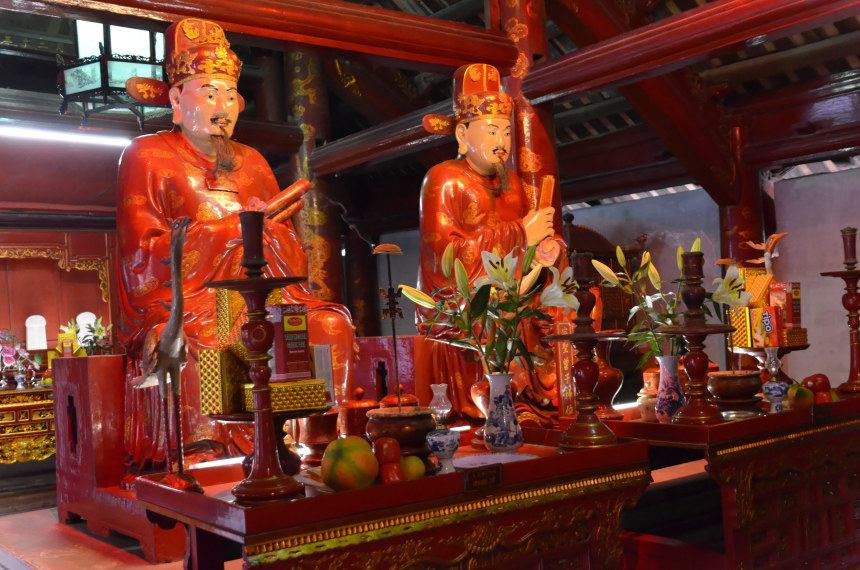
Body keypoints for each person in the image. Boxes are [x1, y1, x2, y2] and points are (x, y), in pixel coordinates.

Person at [116, 18, 355, 471]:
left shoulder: (253, 161)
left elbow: (288, 243)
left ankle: (323, 436)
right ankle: (206, 451)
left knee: (328, 326)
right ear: (175, 100)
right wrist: (233, 232)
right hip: (194, 300)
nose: (222, 107)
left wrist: (270, 233)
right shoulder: (147, 155)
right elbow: (142, 252)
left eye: (230, 96)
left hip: (263, 293)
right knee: (195, 337)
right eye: (209, 93)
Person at [417, 63, 562, 424]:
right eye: (492, 131)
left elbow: (532, 235)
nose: (502, 142)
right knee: (497, 307)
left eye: (508, 133)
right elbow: (445, 254)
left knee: (568, 305)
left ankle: (562, 397)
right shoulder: (443, 179)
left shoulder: (511, 182)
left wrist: (548, 248)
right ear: (463, 136)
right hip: (459, 295)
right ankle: (511, 402)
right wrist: (518, 234)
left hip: (515, 283)